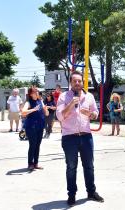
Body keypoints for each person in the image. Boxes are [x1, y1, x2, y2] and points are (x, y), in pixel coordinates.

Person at [56, 71, 104, 206]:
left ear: (83, 82)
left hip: (86, 136)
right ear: (70, 83)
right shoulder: (63, 97)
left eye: (79, 81)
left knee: (89, 166)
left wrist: (90, 114)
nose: (77, 83)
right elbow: (59, 116)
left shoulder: (89, 96)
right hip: (69, 137)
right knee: (71, 167)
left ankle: (91, 192)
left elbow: (95, 113)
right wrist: (70, 104)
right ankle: (71, 195)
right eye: (74, 81)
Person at [22, 86, 49, 170]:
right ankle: (30, 163)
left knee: (38, 145)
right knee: (32, 145)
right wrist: (33, 109)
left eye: (37, 91)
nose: (37, 93)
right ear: (31, 94)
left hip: (40, 126)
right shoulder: (28, 102)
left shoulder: (40, 101)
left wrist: (46, 109)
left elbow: (47, 114)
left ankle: (36, 163)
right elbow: (23, 112)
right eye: (35, 92)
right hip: (31, 127)